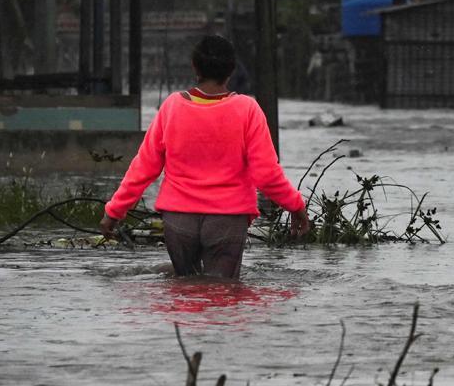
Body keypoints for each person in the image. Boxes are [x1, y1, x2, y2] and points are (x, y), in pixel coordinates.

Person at [99, 35, 311, 277]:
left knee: (186, 295)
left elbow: (144, 167)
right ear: (231, 71)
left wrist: (114, 211)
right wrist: (296, 206)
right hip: (228, 220)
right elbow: (266, 174)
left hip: (178, 220)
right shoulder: (247, 110)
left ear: (194, 67)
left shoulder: (171, 107)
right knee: (222, 294)